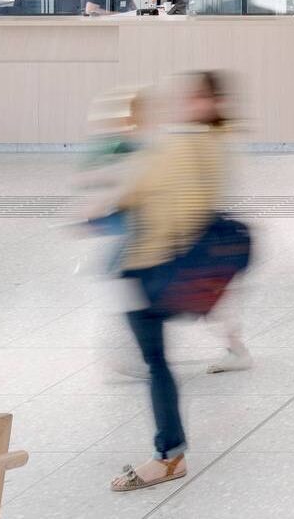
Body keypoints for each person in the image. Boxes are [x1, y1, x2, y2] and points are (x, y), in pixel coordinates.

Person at [108, 71, 238, 493]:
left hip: (151, 265)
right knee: (154, 358)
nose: (187, 102)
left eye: (196, 96)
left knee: (155, 360)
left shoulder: (185, 144)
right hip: (170, 265)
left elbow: (147, 195)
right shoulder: (212, 142)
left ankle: (168, 455)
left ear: (211, 102)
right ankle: (170, 450)